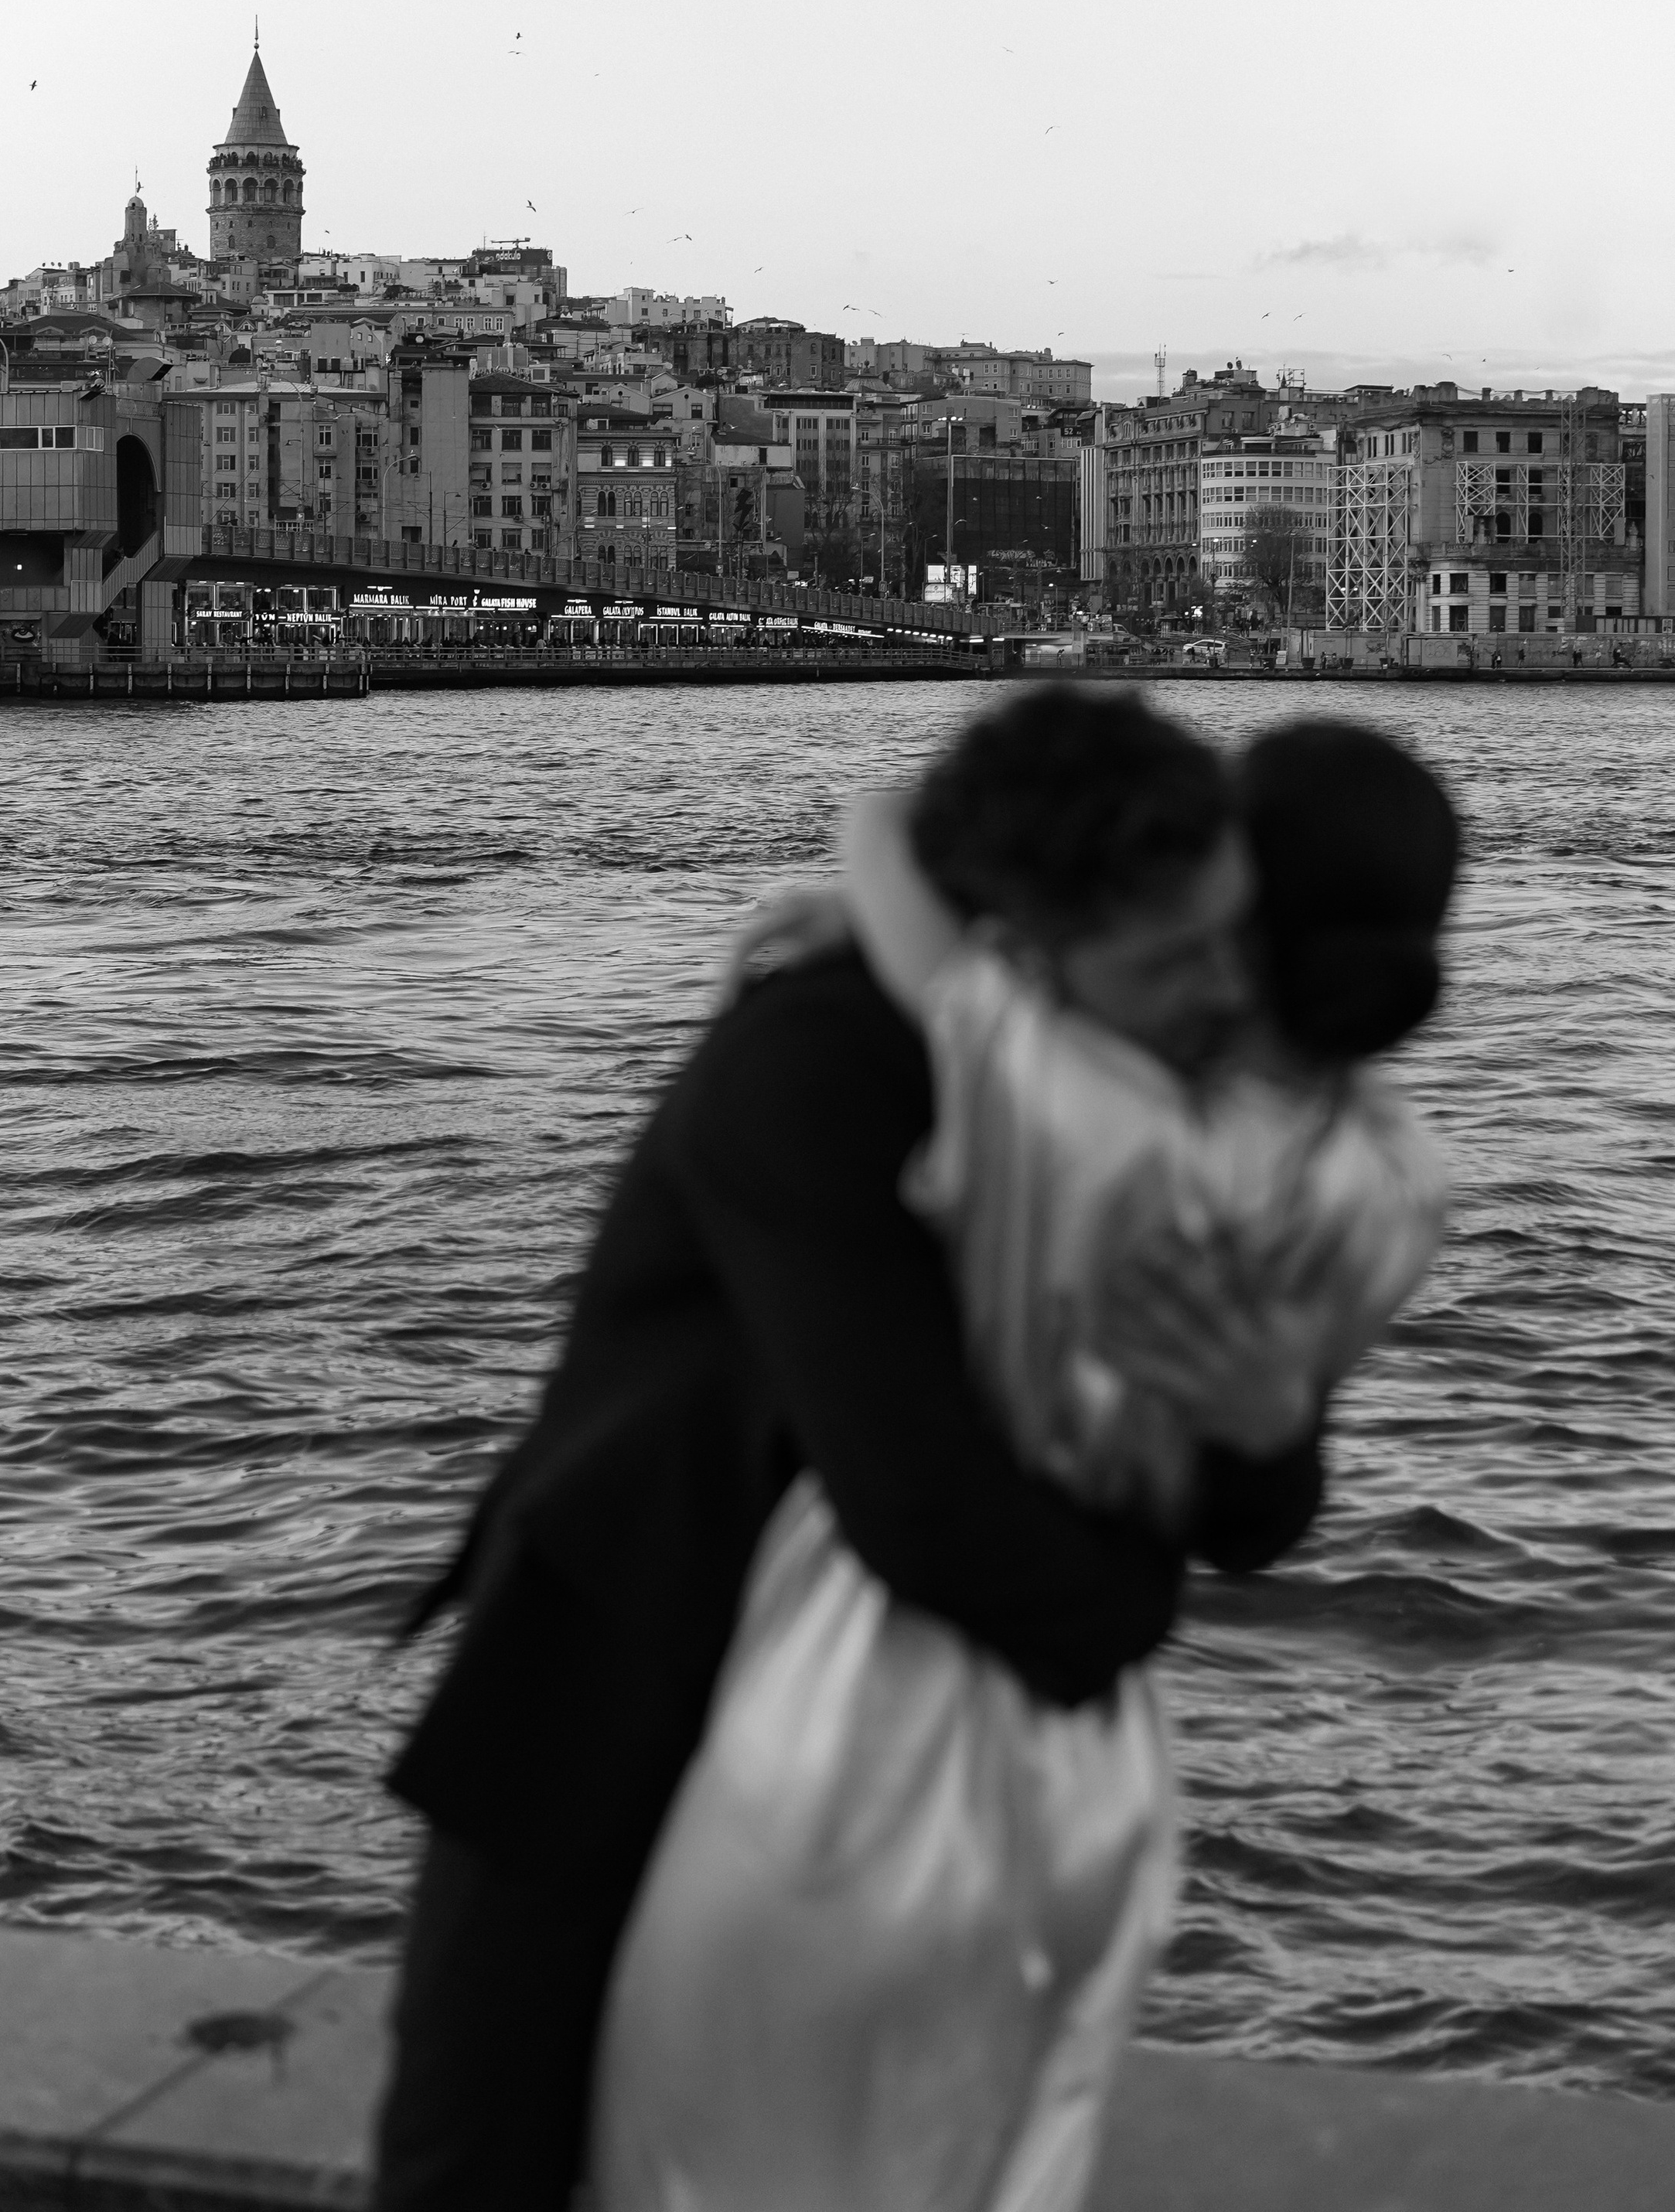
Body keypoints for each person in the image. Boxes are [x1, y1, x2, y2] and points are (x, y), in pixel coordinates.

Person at [370, 689, 1327, 2212]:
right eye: (1175, 958)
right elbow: (926, 1502)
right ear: (1015, 958)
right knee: (484, 2162)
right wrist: (1146, 1599)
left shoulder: (1124, 1086)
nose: (1227, 992)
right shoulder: (817, 1064)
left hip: (876, 1741)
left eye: (1233, 938)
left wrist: (1268, 1423)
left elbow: (1246, 1501)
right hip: (633, 1679)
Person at [588, 717, 1460, 2212]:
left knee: (722, 2153)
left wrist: (894, 887)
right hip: (1101, 1769)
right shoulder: (1394, 1186)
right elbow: (1258, 1490)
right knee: (1007, 2158)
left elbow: (907, 879)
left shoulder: (1076, 1102)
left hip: (867, 1696)